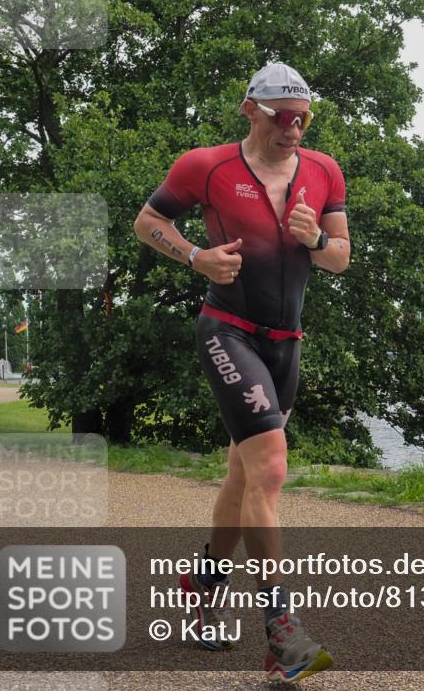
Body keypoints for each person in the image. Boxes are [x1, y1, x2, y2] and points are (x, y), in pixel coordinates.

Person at [133, 63, 349, 683]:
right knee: (271, 468)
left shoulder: (324, 170)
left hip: (287, 342)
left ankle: (203, 584)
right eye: (283, 116)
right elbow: (148, 222)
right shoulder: (206, 166)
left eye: (304, 116)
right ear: (250, 110)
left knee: (240, 473)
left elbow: (341, 258)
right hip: (228, 331)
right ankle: (283, 631)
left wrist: (313, 242)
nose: (295, 127)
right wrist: (196, 256)